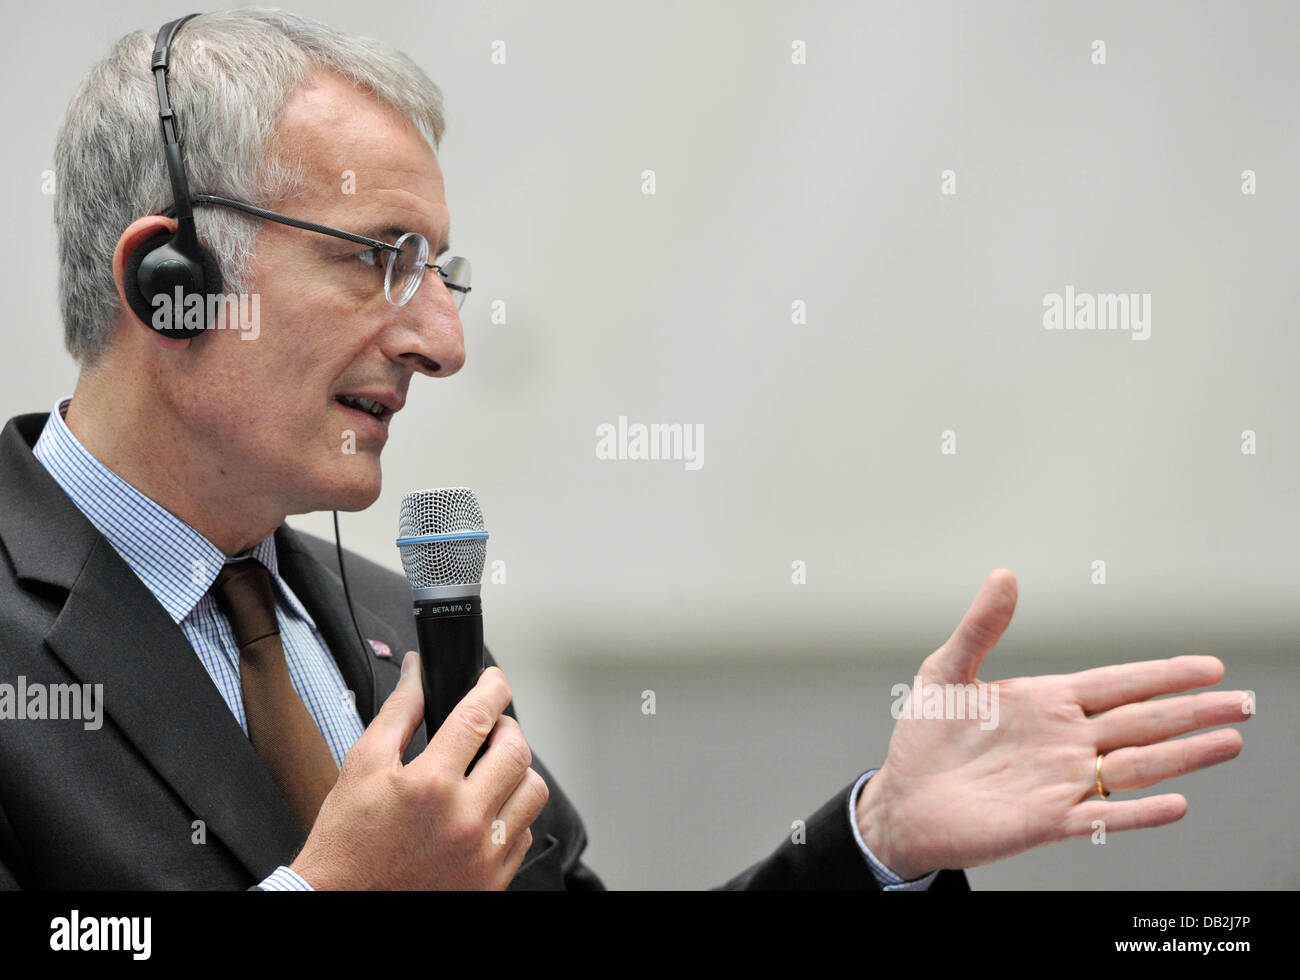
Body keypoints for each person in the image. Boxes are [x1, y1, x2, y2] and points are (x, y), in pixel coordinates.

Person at [0, 8, 1248, 890]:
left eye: (444, 275)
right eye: (380, 257)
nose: (442, 341)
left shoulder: (402, 624)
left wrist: (878, 842)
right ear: (171, 285)